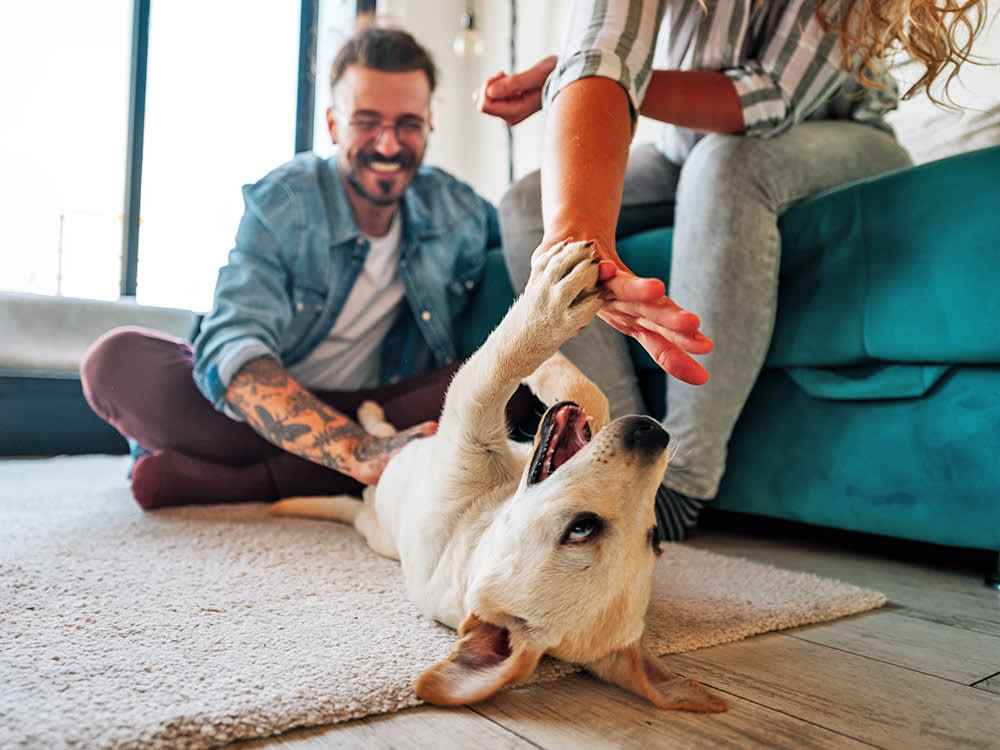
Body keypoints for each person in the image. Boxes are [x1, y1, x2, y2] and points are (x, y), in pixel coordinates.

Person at [477, 0, 988, 540]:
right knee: (527, 202)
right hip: (689, 147)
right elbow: (602, 47)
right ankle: (619, 463)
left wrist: (604, 72)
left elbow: (765, 96)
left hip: (834, 137)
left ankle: (684, 484)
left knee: (725, 165)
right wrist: (579, 223)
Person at [82, 26, 521, 510]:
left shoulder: (454, 207)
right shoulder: (285, 202)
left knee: (514, 380)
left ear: (429, 123)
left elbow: (534, 243)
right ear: (333, 125)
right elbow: (232, 347)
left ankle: (247, 484)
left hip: (381, 408)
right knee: (115, 361)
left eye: (408, 124)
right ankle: (327, 474)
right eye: (367, 122)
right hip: (263, 411)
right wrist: (358, 450)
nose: (389, 145)